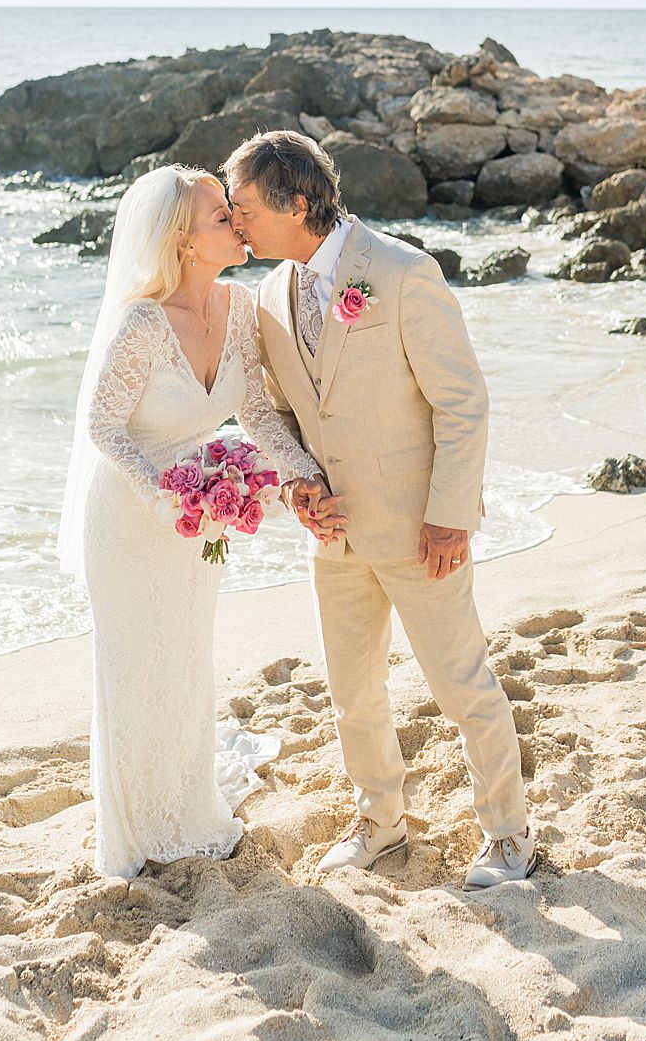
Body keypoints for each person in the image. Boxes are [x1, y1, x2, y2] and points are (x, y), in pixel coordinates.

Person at [225, 130, 535, 890]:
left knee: (462, 683)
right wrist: (299, 489)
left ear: (298, 202)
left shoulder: (400, 273)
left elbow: (462, 402)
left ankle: (508, 833)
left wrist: (450, 515)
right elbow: (278, 415)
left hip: (417, 526)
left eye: (243, 209)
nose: (236, 226)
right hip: (333, 536)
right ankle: (380, 820)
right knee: (351, 690)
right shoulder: (267, 294)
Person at [57, 164, 340, 881]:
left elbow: (255, 415)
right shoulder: (143, 323)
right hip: (130, 514)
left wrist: (300, 475)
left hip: (197, 516)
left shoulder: (239, 309)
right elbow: (102, 427)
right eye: (223, 217)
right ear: (184, 241)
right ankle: (134, 829)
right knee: (134, 665)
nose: (240, 225)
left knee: (184, 657)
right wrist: (163, 495)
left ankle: (186, 810)